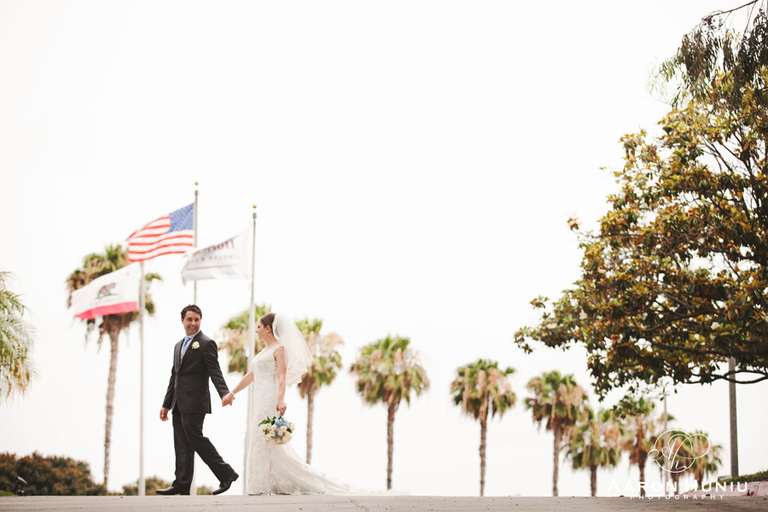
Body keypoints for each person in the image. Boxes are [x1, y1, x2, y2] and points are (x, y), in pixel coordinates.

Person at [222, 312, 352, 495]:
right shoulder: (263, 352)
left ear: (268, 329)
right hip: (259, 399)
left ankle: (263, 485)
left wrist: (280, 399)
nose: (256, 331)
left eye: (259, 327)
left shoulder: (279, 349)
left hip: (270, 397)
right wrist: (231, 393)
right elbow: (250, 375)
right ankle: (260, 483)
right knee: (259, 439)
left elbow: (281, 376)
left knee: (264, 438)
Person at [157, 304, 239, 496]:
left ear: (200, 321)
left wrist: (224, 392)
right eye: (190, 319)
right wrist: (166, 404)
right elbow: (174, 377)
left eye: (196, 320)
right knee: (181, 443)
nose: (193, 323)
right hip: (178, 402)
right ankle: (182, 483)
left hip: (195, 402)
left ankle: (226, 474)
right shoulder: (178, 346)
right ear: (182, 321)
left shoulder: (206, 343)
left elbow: (214, 371)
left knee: (195, 439)